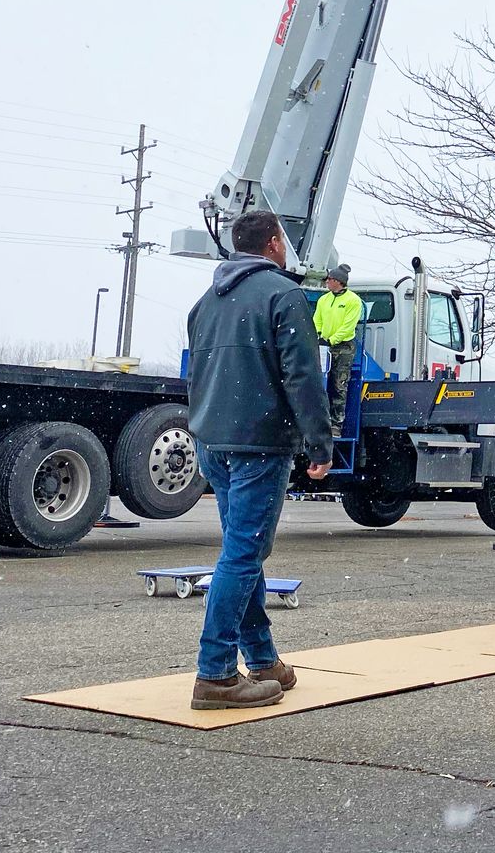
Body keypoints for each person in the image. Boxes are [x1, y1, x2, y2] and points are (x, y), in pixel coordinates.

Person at [185, 210, 333, 709]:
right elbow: (303, 377)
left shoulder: (207, 301)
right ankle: (216, 675)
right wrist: (320, 442)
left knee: (241, 553)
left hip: (214, 441)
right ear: (273, 244)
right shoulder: (283, 295)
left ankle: (263, 660)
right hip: (258, 444)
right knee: (243, 555)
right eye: (284, 243)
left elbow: (198, 375)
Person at [313, 263, 364, 435]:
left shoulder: (353, 301)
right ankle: (320, 421)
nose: (327, 282)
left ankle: (336, 424)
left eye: (331, 279)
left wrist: (332, 340)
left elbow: (348, 326)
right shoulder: (323, 300)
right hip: (323, 346)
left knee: (338, 384)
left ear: (339, 281)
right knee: (320, 383)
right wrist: (319, 336)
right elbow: (317, 320)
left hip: (343, 347)